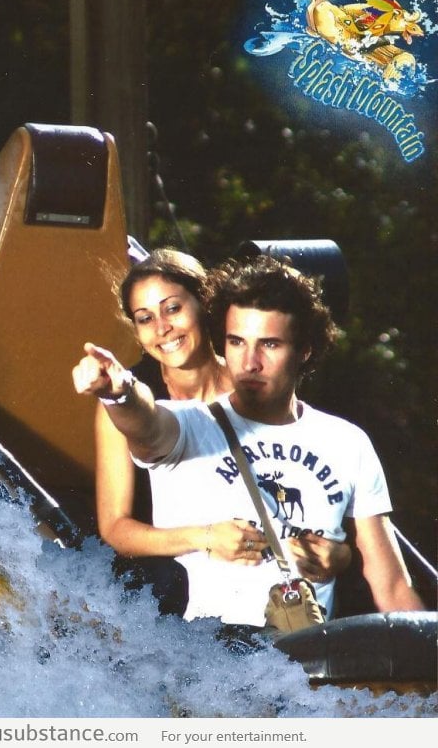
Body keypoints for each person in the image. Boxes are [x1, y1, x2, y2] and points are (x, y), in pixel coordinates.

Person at [73, 252, 362, 624]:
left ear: (204, 305)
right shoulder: (128, 401)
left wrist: (341, 555)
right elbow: (116, 528)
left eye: (172, 308)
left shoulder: (255, 376)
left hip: (271, 577)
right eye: (145, 319)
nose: (162, 327)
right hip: (174, 577)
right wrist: (204, 538)